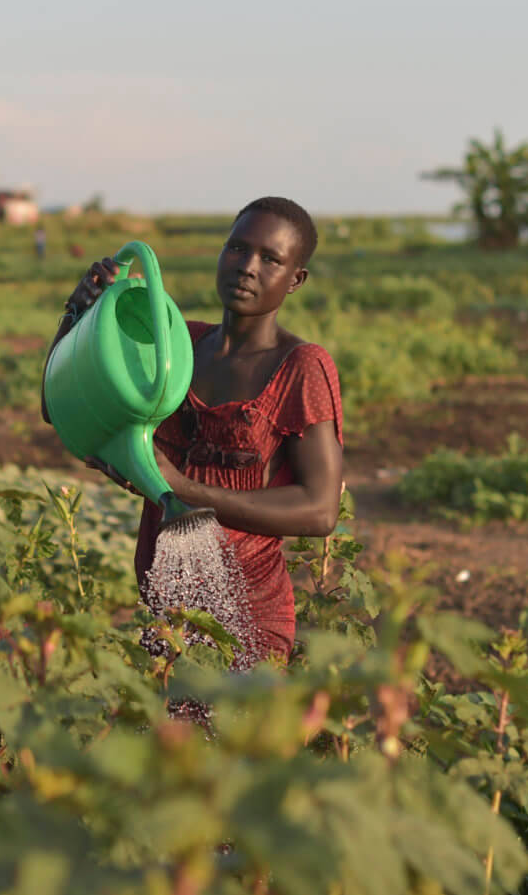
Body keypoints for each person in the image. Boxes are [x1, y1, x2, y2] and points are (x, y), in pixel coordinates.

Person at [43, 197, 344, 666]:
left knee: (234, 735)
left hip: (248, 616)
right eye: (238, 248)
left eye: (270, 259)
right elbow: (60, 405)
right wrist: (78, 317)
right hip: (166, 614)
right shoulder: (174, 348)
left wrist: (181, 488)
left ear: (295, 280)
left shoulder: (300, 367)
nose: (247, 267)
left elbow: (319, 510)